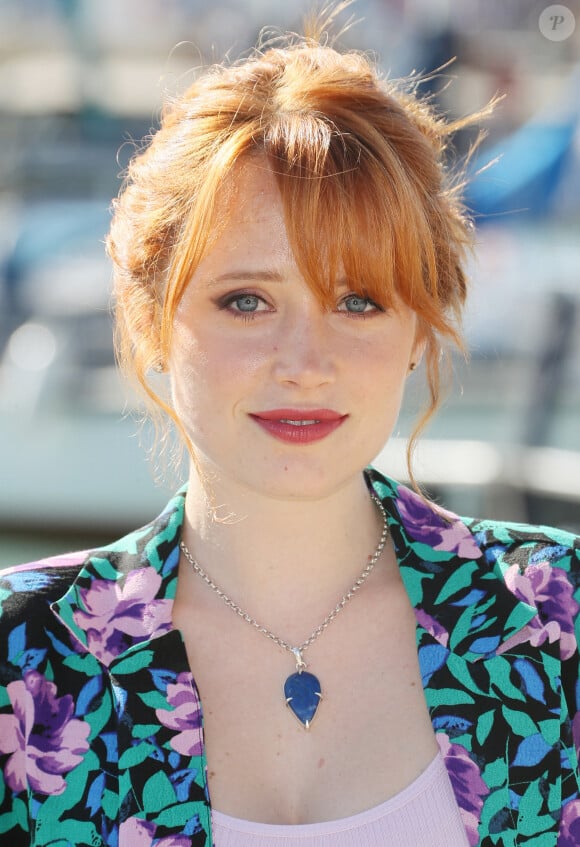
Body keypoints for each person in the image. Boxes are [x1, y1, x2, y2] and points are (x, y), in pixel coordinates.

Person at [1, 6, 579, 846]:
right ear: (152, 317)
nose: (305, 361)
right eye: (247, 300)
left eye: (358, 300)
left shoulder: (557, 622)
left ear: (419, 327)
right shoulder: (24, 660)